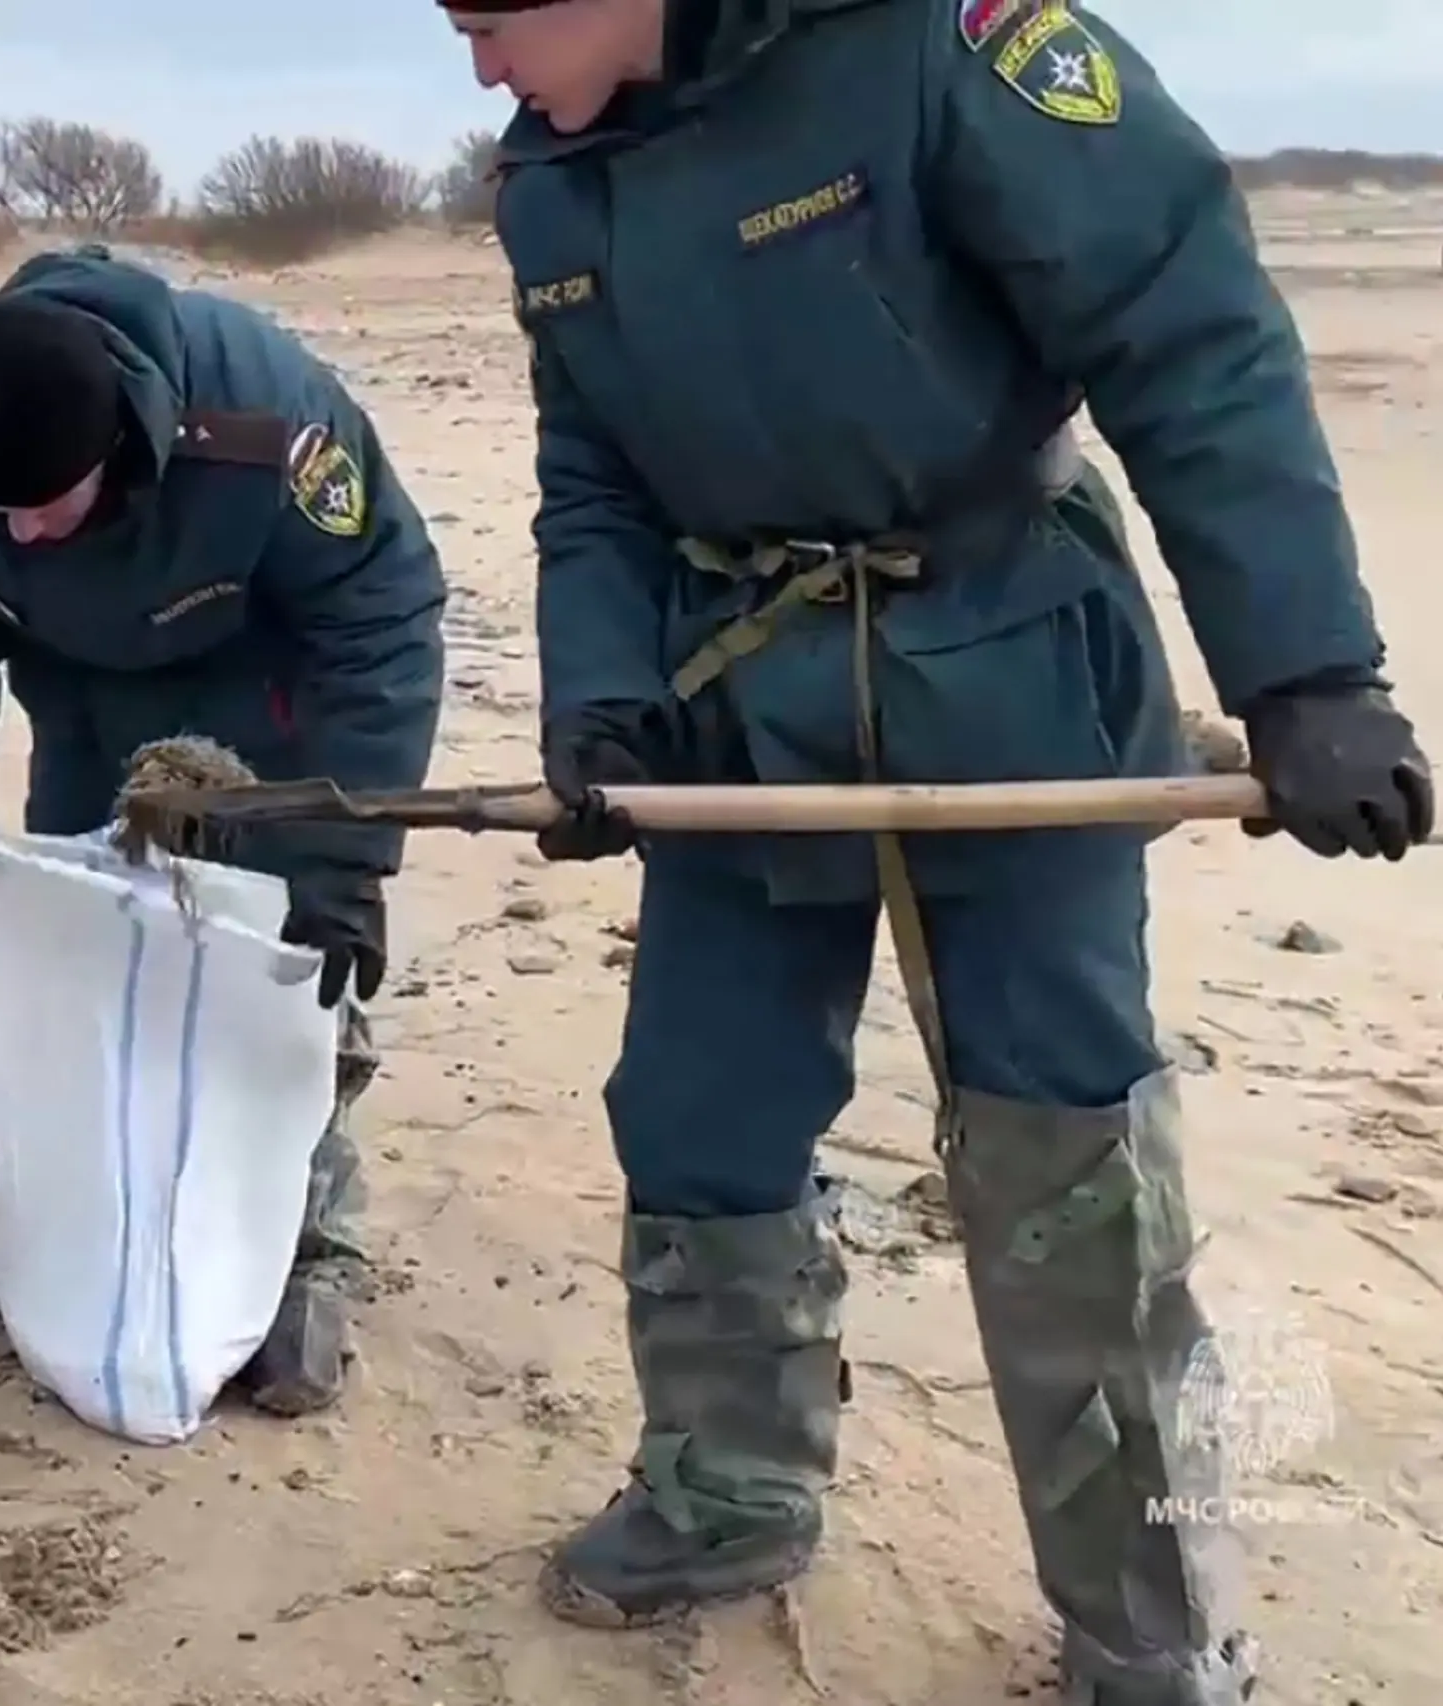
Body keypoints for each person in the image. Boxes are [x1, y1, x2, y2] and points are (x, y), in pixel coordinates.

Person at [444, 1, 1434, 1700]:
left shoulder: (935, 44)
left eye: (498, 24)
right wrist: (600, 698)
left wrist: (1310, 676)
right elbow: (591, 473)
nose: (482, 75)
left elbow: (1186, 334)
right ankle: (730, 1492)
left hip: (1008, 669)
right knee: (697, 1107)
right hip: (740, 709)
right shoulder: (550, 179)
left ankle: (1149, 1617)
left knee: (1064, 1155)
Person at [0, 242, 449, 1418]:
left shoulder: (263, 422)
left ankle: (306, 1247)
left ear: (122, 443)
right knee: (82, 950)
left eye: (43, 503)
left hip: (266, 691)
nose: (18, 531)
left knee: (279, 976)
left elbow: (382, 623)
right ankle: (51, 1217)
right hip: (80, 699)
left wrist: (347, 859)